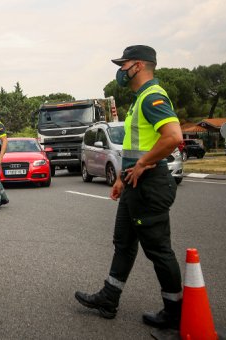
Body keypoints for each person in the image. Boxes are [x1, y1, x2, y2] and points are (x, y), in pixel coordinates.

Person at [75, 45, 184, 330]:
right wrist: (122, 178)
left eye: (124, 65)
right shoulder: (139, 100)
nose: (121, 71)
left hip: (150, 185)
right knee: (123, 242)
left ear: (138, 65)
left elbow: (173, 137)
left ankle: (175, 312)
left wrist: (143, 164)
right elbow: (136, 147)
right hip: (134, 184)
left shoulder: (152, 96)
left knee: (158, 250)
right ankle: (109, 299)